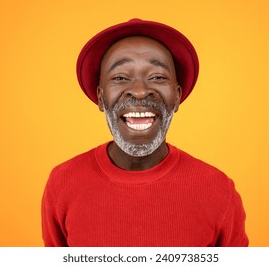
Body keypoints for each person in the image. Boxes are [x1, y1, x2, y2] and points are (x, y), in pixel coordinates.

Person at [42, 18, 249, 247]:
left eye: (157, 77)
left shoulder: (217, 189)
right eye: (120, 77)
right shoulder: (63, 183)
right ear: (100, 97)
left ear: (177, 96)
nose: (140, 92)